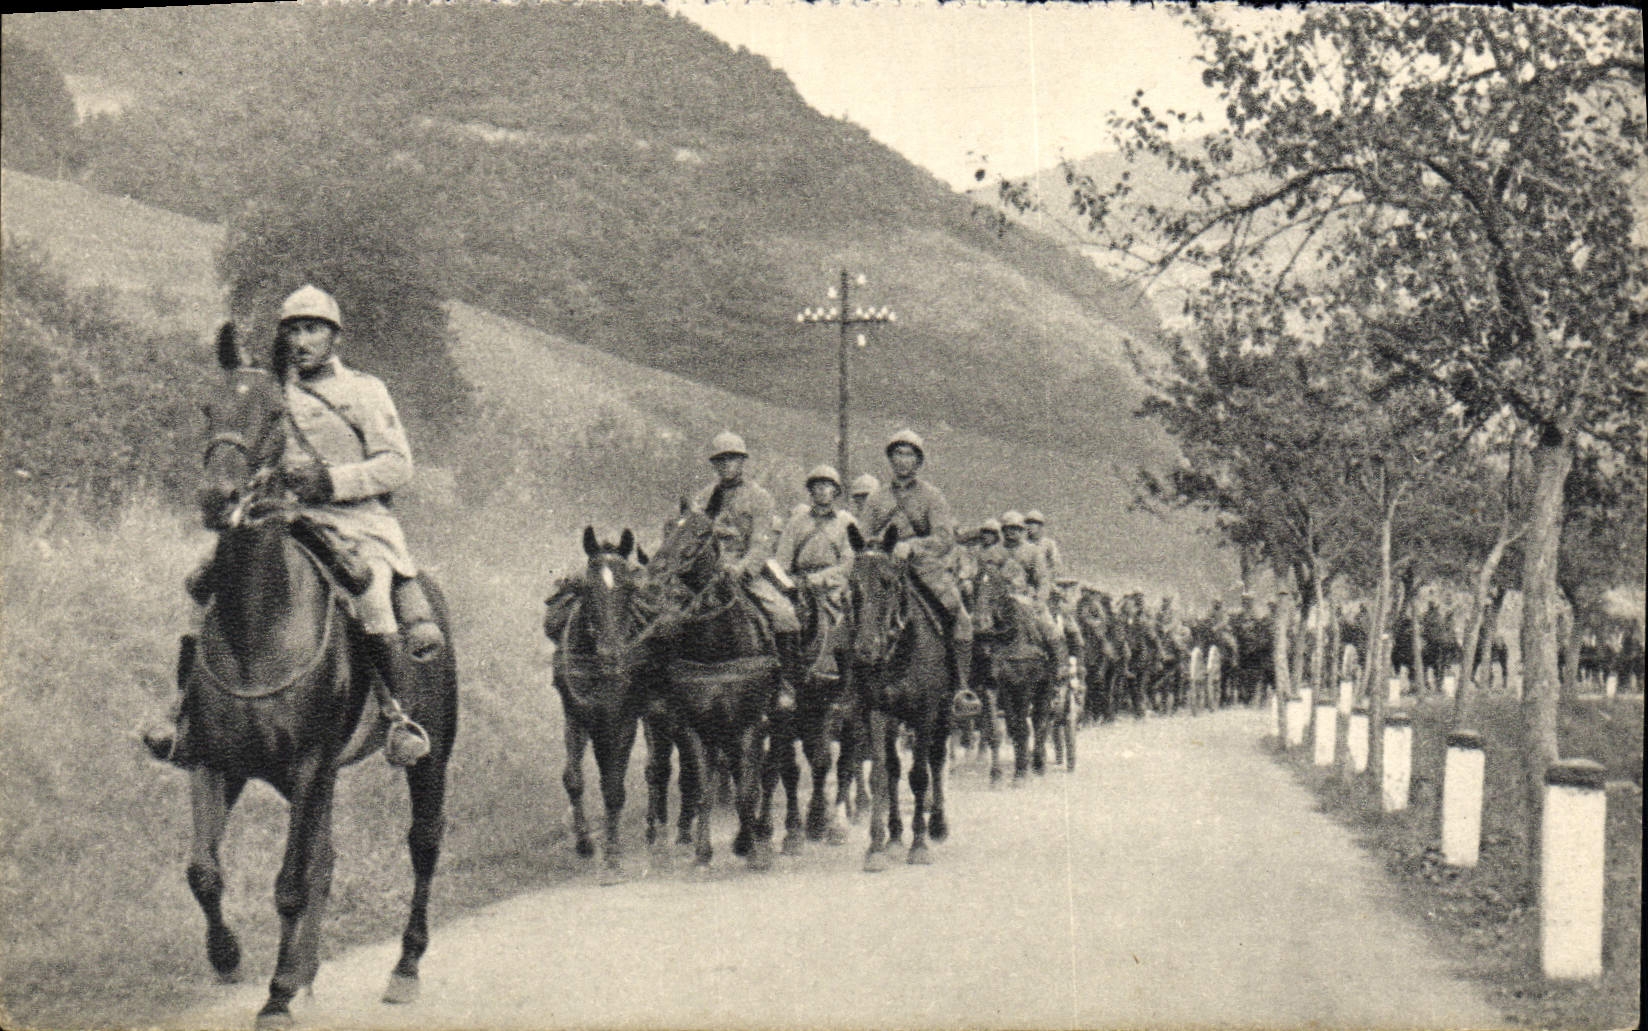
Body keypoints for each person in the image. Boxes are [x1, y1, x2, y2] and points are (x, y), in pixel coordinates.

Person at [144, 285, 436, 767]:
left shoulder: (364, 390)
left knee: (371, 593)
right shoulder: (271, 387)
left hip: (355, 521)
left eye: (312, 329)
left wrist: (331, 480)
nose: (301, 340)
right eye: (292, 330)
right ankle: (184, 713)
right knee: (202, 586)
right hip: (280, 517)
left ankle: (397, 714)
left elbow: (397, 465)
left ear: (333, 336)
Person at [859, 430, 976, 714]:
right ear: (890, 459)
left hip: (924, 570)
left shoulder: (932, 496)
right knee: (851, 614)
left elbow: (944, 539)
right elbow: (863, 539)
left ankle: (961, 688)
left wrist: (911, 547)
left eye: (909, 454)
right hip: (884, 571)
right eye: (897, 454)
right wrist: (878, 550)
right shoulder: (876, 499)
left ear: (918, 460)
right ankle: (848, 685)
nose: (902, 460)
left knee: (960, 616)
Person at [691, 430, 804, 711]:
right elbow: (693, 539)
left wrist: (742, 570)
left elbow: (761, 543)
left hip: (745, 571)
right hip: (708, 574)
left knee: (785, 615)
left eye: (732, 459)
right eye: (720, 460)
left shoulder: (760, 497)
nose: (726, 465)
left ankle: (785, 686)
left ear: (742, 462)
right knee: (670, 614)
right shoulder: (704, 498)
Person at [773, 465, 857, 680]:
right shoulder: (796, 522)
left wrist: (821, 578)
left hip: (834, 584)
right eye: (816, 486)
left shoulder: (846, 522)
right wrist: (790, 582)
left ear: (835, 491)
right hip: (798, 582)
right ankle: (785, 673)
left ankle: (834, 669)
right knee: (781, 615)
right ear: (810, 491)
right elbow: (783, 559)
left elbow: (849, 561)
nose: (821, 490)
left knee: (843, 617)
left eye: (826, 486)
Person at [1023, 509, 1061, 581]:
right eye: (1028, 523)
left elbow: (1056, 565)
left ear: (1040, 526)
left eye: (1033, 523)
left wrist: (1047, 578)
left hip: (1045, 581)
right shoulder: (1023, 544)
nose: (1029, 526)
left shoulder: (1048, 544)